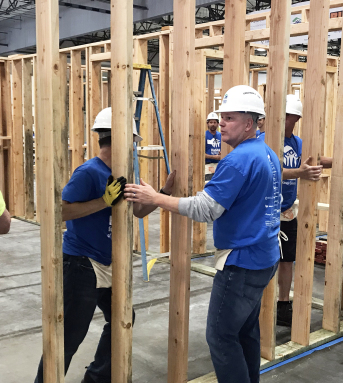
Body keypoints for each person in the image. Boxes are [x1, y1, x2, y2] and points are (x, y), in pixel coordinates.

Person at [124, 85, 280, 383]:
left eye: (229, 118)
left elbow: (206, 209)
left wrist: (155, 198)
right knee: (245, 332)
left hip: (242, 262)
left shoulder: (237, 160)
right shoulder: (267, 153)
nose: (220, 122)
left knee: (221, 337)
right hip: (265, 257)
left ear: (250, 123)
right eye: (222, 117)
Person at [34, 107, 173, 383]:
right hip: (82, 262)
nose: (135, 147)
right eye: (133, 142)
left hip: (108, 262)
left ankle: (97, 378)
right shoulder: (89, 172)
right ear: (120, 139)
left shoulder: (123, 172)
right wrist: (103, 202)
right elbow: (60, 211)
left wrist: (162, 195)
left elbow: (135, 212)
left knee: (124, 318)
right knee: (70, 334)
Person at [266, 94, 343, 327]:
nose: (281, 120)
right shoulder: (266, 140)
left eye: (286, 116)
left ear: (295, 118)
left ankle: (282, 305)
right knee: (265, 259)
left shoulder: (298, 143)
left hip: (287, 210)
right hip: (266, 210)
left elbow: (318, 159)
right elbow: (268, 170)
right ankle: (262, 303)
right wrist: (299, 173)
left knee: (287, 260)